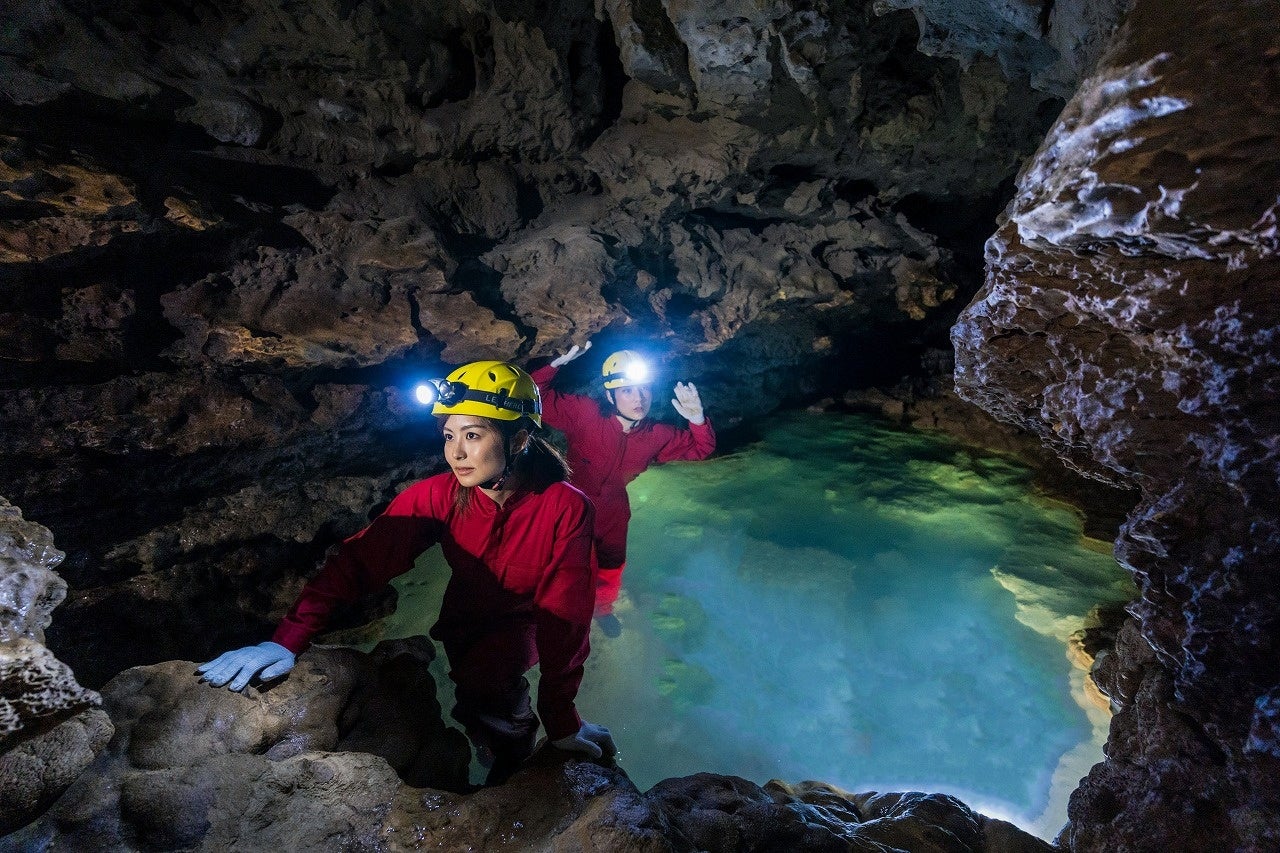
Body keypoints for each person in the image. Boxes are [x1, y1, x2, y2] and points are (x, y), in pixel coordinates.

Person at [198, 360, 615, 785]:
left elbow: (564, 614)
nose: (456, 452)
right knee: (474, 693)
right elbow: (359, 561)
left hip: (522, 620)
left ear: (520, 438)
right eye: (450, 436)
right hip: (465, 615)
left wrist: (563, 720)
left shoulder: (565, 506)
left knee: (492, 684)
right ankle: (493, 742)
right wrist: (286, 640)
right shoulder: (439, 496)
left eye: (473, 435)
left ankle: (512, 757)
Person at [530, 343, 715, 637]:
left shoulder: (657, 434)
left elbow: (701, 448)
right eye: (627, 390)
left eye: (643, 389)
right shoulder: (584, 414)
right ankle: (554, 614)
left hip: (614, 515)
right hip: (570, 509)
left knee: (610, 570)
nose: (638, 398)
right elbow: (535, 396)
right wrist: (555, 364)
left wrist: (697, 420)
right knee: (562, 565)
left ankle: (603, 610)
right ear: (610, 395)